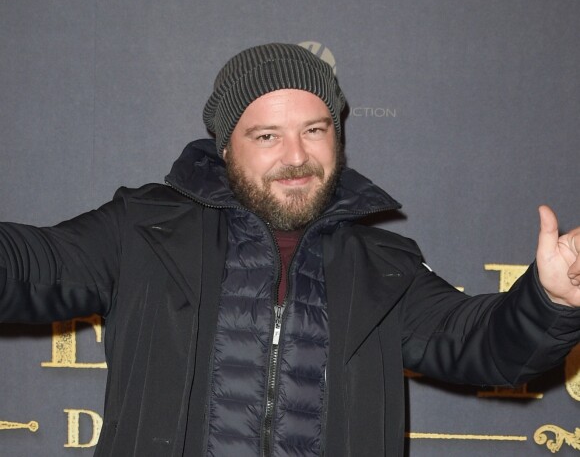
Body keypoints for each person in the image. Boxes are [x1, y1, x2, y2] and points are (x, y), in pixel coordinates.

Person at [0, 43, 579, 457]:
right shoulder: (143, 230)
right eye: (268, 135)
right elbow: (31, 265)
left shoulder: (383, 262)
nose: (297, 156)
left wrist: (550, 299)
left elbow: (486, 346)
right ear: (227, 146)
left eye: (316, 129)